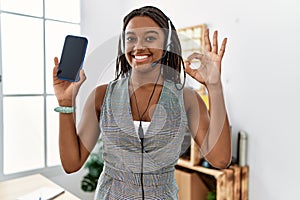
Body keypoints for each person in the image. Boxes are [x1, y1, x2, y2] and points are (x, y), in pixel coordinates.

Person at [53, 6, 231, 200]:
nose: (138, 46)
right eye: (130, 38)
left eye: (150, 38)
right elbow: (72, 164)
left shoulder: (186, 99)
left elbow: (220, 159)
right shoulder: (102, 96)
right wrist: (65, 102)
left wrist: (214, 86)